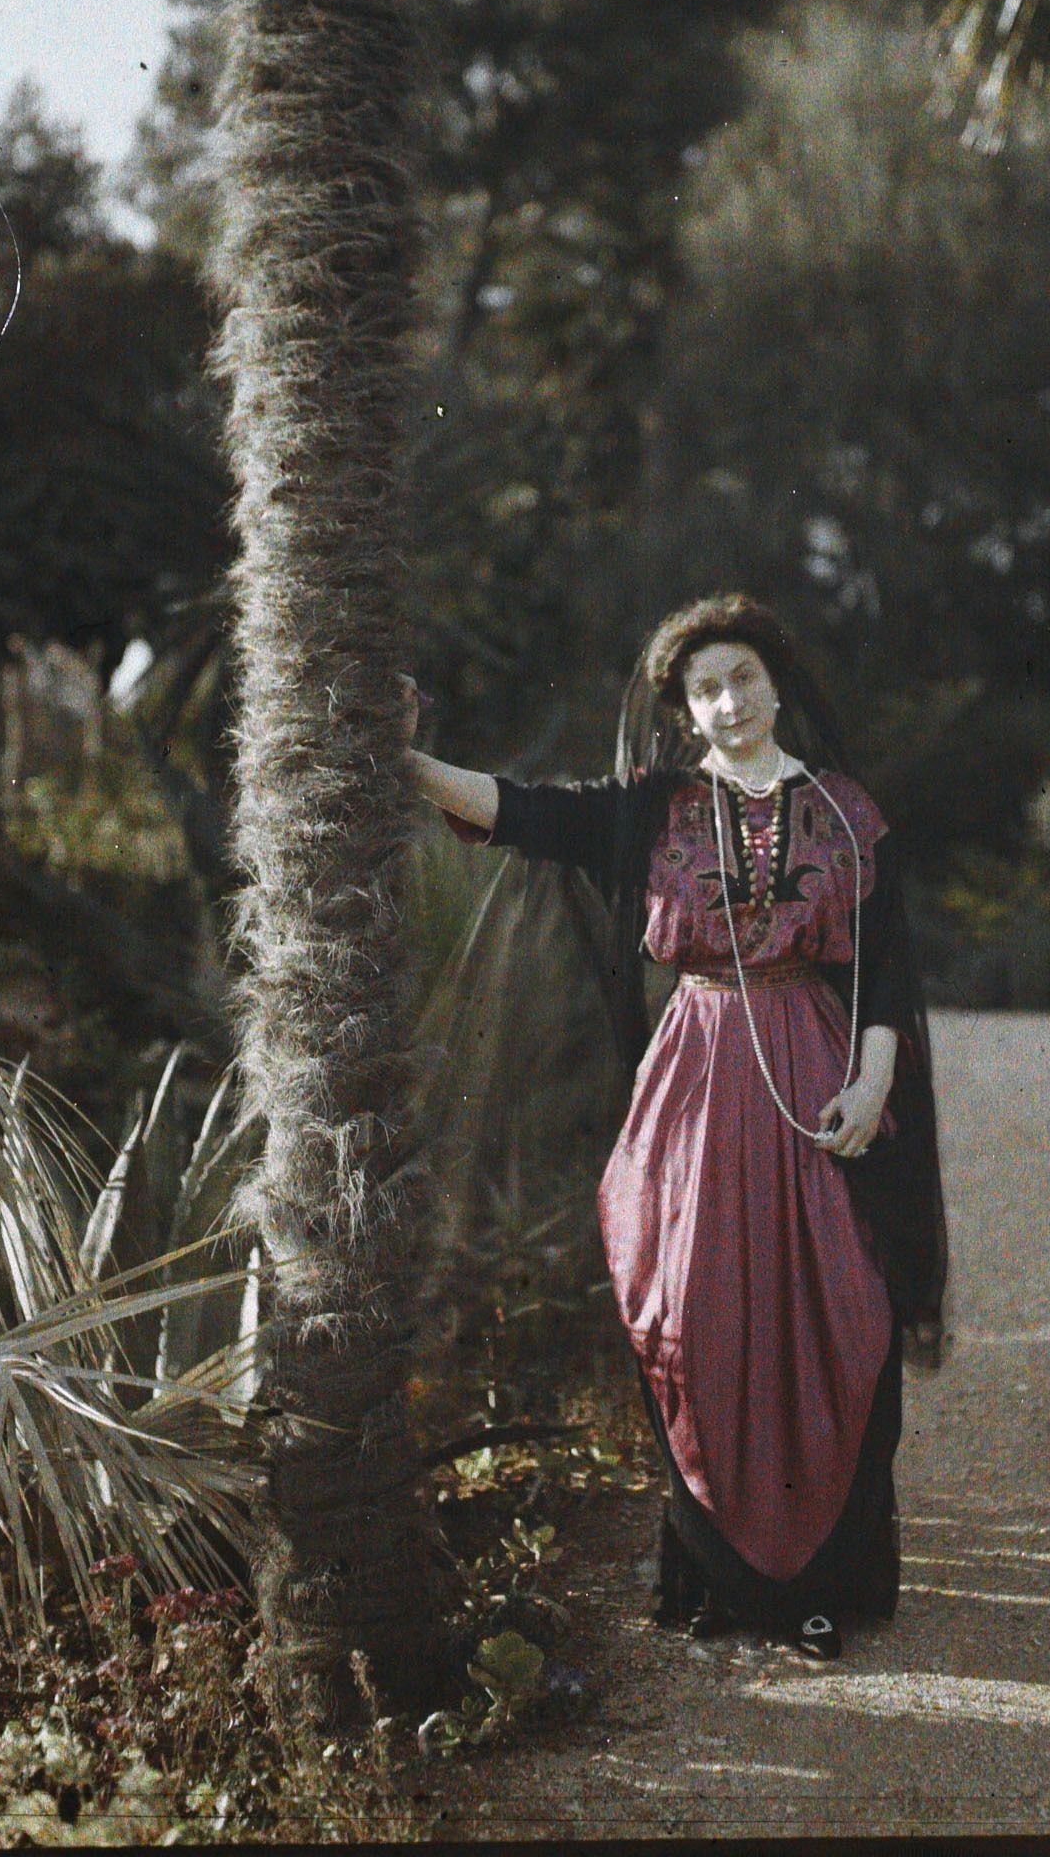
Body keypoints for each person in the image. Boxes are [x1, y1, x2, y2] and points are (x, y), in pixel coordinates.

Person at [402, 594, 946, 1661]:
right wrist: (406, 762)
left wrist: (874, 1085)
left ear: (777, 683)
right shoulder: (653, 811)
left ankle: (821, 1587)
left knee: (835, 1318)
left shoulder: (843, 810)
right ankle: (718, 1572)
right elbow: (521, 809)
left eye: (741, 676)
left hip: (818, 1079)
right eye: (704, 688)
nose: (727, 701)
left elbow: (885, 966)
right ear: (683, 708)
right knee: (693, 1312)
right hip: (692, 1085)